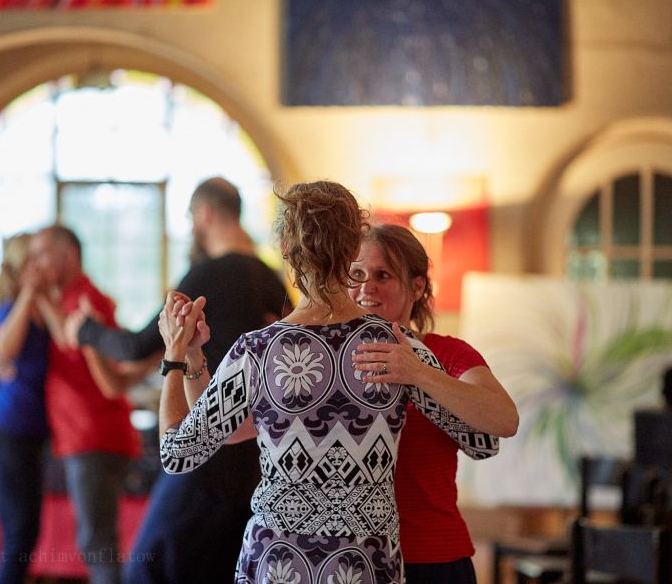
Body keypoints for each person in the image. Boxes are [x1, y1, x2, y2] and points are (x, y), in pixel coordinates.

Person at [157, 180, 501, 583]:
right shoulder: (396, 346)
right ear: (353, 248)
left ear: (285, 248)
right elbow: (482, 441)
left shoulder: (256, 352)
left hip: (278, 564)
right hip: (365, 566)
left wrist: (176, 355)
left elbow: (177, 454)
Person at [65, 176, 291, 582]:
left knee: (145, 571)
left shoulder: (212, 274)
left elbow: (137, 346)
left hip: (207, 454)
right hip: (256, 459)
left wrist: (86, 330)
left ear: (204, 214)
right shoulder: (272, 280)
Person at [348, 223, 519, 583]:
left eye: (383, 275)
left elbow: (505, 420)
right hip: (351, 560)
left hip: (433, 558)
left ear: (417, 287)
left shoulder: (447, 352)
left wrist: (418, 372)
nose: (367, 287)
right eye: (357, 274)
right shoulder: (325, 360)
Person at [28, 224, 141, 584]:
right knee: (96, 540)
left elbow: (71, 339)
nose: (36, 264)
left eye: (42, 255)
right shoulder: (69, 297)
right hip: (85, 436)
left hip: (94, 436)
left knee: (97, 542)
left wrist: (37, 294)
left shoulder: (87, 298)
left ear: (69, 255)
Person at [0, 232, 50, 584]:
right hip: (5, 431)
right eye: (36, 258)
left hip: (28, 433)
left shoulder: (46, 306)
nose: (44, 264)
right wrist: (29, 293)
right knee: (20, 531)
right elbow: (2, 352)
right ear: (22, 269)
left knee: (27, 531)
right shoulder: (13, 308)